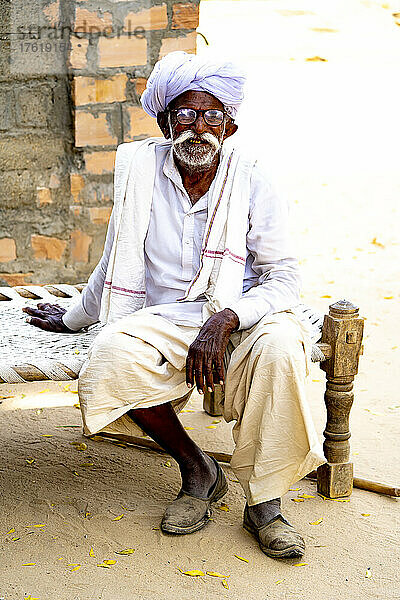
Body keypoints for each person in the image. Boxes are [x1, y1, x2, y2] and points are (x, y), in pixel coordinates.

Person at [23, 51, 325, 559]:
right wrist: (75, 316)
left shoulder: (251, 177)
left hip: (245, 312)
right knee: (112, 356)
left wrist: (227, 319)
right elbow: (115, 259)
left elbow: (282, 277)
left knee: (280, 352)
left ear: (229, 127)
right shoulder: (140, 171)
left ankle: (265, 505)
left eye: (211, 117)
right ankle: (197, 469)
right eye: (185, 115)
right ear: (165, 122)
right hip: (167, 317)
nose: (198, 128)